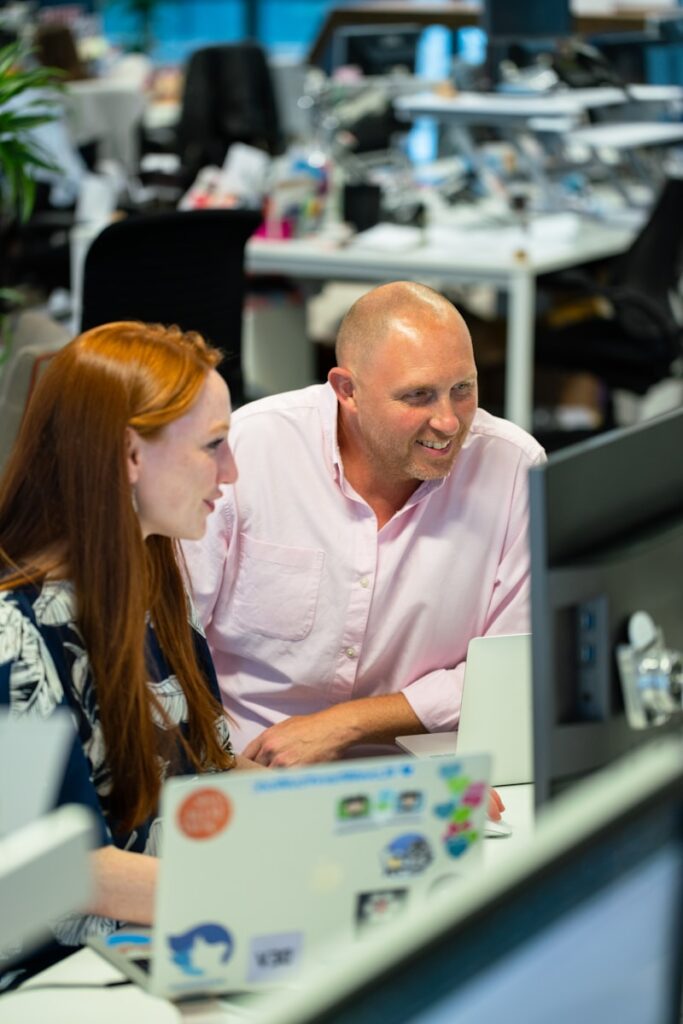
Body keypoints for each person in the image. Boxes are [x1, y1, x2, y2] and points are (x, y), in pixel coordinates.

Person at [184, 281, 545, 772]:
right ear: (346, 390)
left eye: (463, 389)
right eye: (418, 396)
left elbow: (516, 666)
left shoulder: (513, 467)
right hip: (247, 767)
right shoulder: (251, 450)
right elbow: (169, 646)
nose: (449, 422)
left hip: (422, 770)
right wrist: (224, 768)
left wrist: (349, 723)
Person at [0, 321, 255, 962]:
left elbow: (210, 773)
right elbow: (62, 871)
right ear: (130, 456)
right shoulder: (13, 637)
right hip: (61, 981)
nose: (232, 472)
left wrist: (377, 811)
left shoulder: (155, 579)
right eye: (214, 446)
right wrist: (282, 886)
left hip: (164, 940)